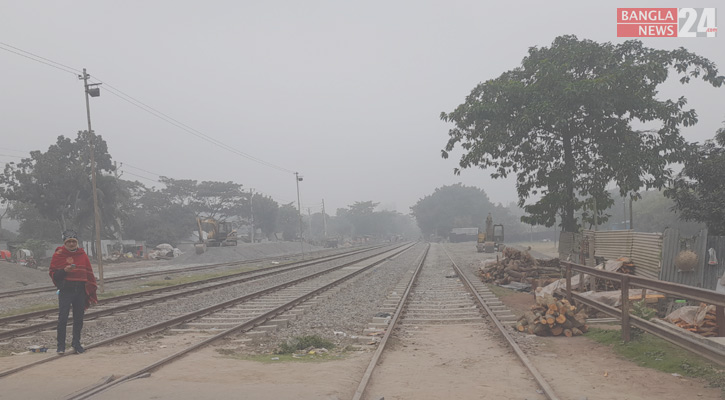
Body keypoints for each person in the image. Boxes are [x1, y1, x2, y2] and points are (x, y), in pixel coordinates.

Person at [49, 230, 98, 354]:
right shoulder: (58, 255)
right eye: (69, 241)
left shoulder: (82, 255)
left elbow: (88, 274)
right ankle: (61, 346)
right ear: (65, 243)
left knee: (79, 318)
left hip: (80, 291)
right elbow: (54, 275)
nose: (71, 244)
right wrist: (64, 270)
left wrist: (90, 292)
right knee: (63, 318)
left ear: (77, 242)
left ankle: (76, 344)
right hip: (66, 290)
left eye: (73, 241)